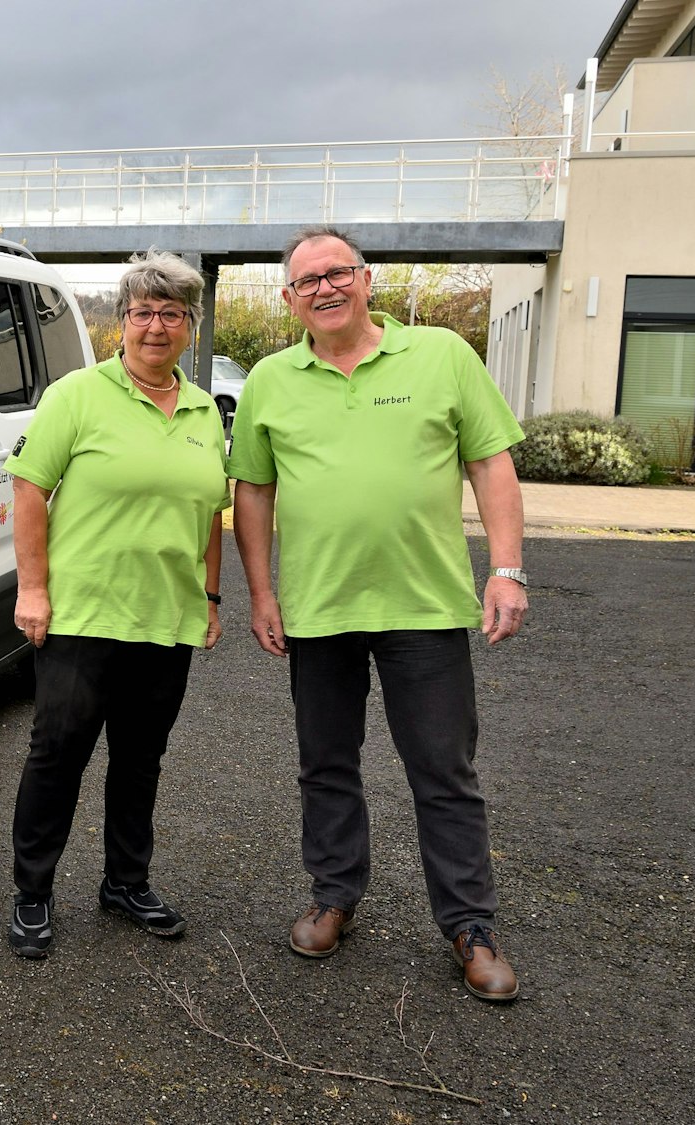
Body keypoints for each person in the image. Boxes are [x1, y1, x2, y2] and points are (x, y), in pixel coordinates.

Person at [226, 226, 527, 1001]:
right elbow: (252, 491)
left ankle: (470, 926)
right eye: (306, 282)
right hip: (319, 608)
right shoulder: (270, 379)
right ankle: (334, 896)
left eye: (337, 273)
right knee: (326, 763)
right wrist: (261, 592)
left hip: (423, 605)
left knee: (443, 771)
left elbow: (490, 459)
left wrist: (505, 569)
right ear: (290, 300)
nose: (323, 289)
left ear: (367, 279)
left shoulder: (441, 356)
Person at [2, 250, 229, 959]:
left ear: (190, 325)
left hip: (165, 619)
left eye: (170, 313)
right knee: (57, 755)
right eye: (142, 312)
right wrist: (32, 589)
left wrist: (211, 596)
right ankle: (32, 891)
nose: (155, 326)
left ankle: (125, 883)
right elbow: (29, 491)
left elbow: (210, 511)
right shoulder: (77, 395)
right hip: (83, 615)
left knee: (140, 759)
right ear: (121, 321)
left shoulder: (201, 410)